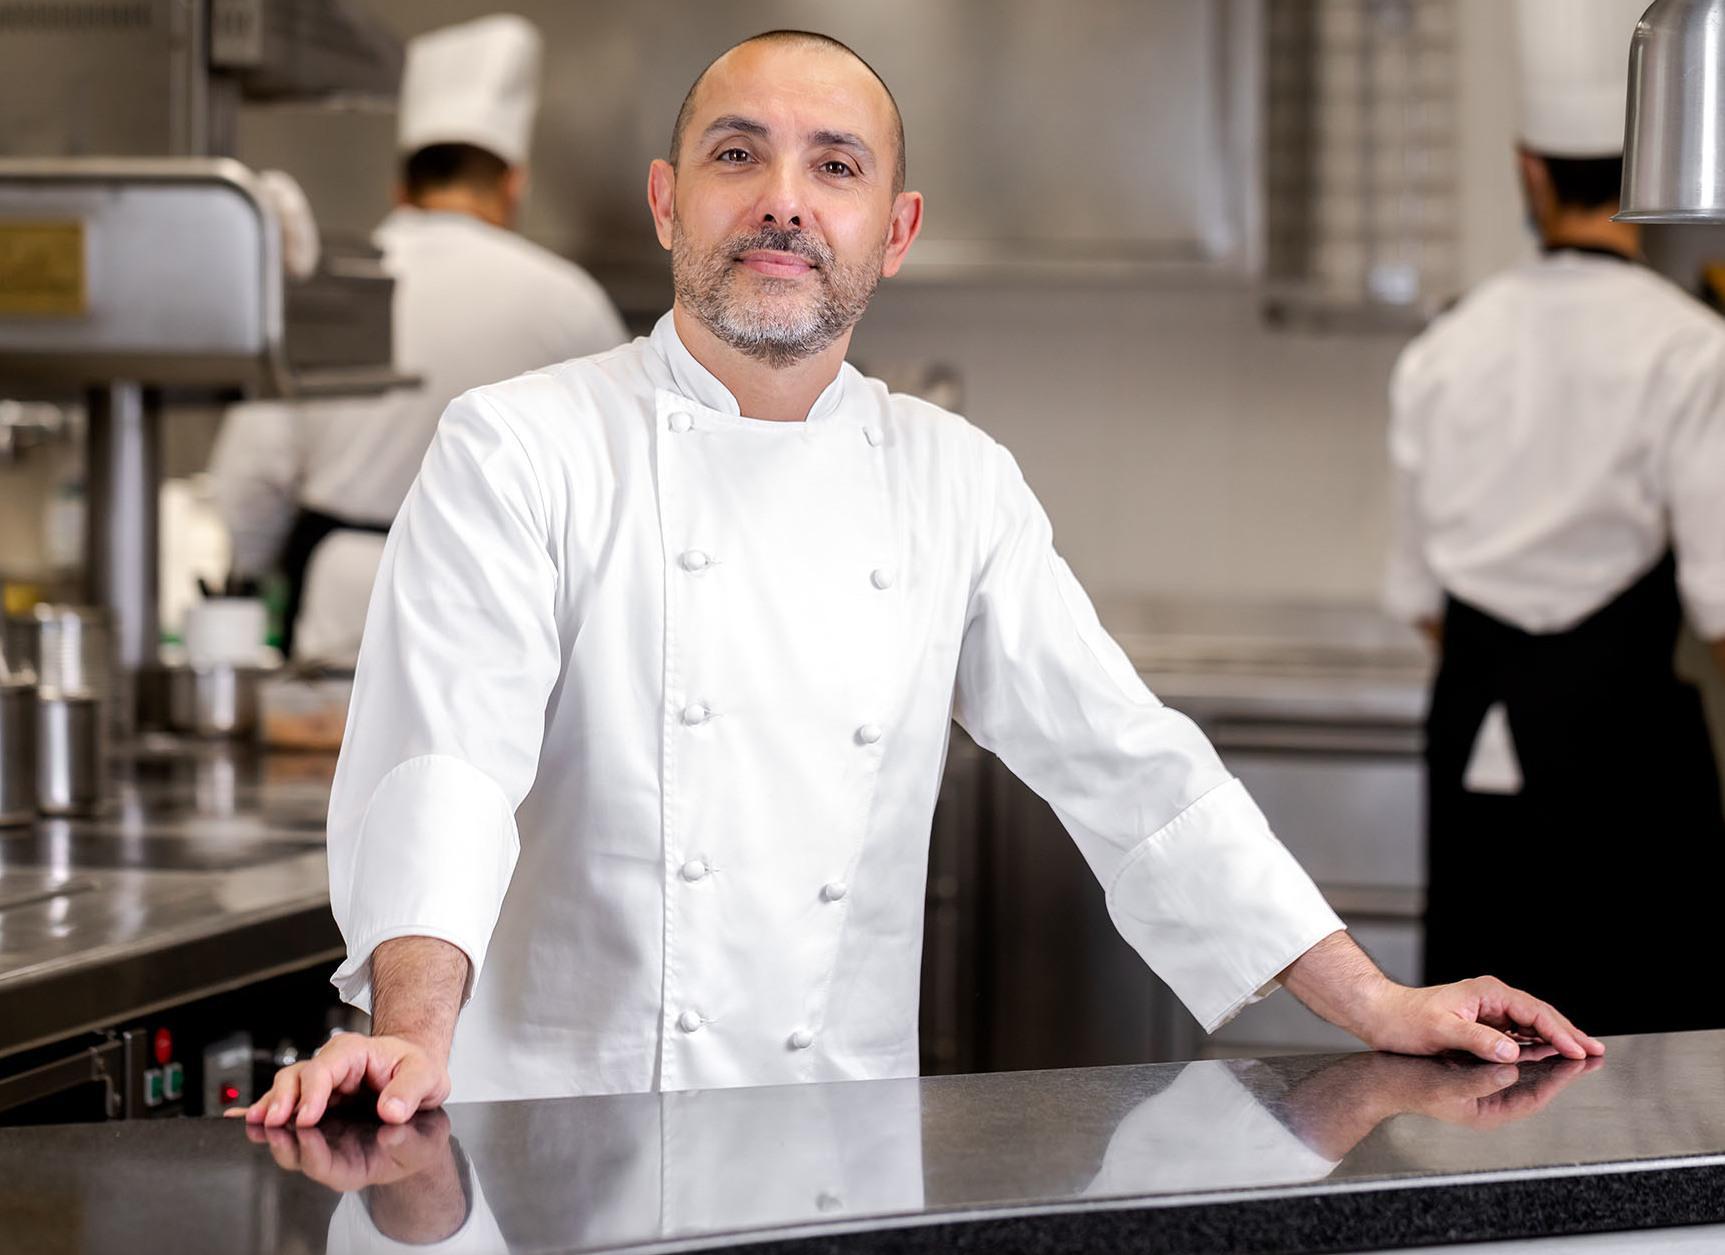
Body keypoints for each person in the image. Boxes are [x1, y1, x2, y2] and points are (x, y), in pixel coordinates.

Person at [241, 29, 1599, 1129]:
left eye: (832, 165)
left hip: (829, 1150)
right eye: (736, 153)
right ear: (669, 204)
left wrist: (1374, 999)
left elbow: (1132, 765)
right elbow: (448, 760)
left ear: (892, 231)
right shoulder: (523, 444)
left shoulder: (955, 478)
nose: (782, 197)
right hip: (533, 1140)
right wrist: (410, 1029)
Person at [1385, 0, 1725, 1034]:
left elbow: (1418, 600)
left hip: (1476, 744)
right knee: (1645, 1067)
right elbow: (1720, 611)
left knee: (1478, 1047)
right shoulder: (1692, 347)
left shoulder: (1444, 347)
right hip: (1633, 765)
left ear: (1529, 170)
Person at [210, 14, 627, 664]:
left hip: (344, 613)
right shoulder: (569, 302)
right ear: (513, 183)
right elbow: (616, 490)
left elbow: (249, 483)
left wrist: (239, 590)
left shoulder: (328, 289)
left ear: (400, 185)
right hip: (502, 611)